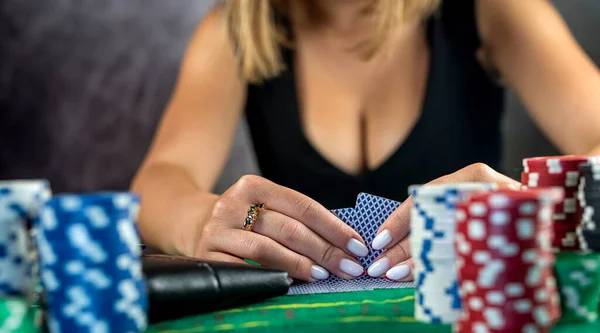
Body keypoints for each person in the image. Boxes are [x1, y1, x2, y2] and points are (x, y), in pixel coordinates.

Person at [131, 0, 600, 283]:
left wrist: (520, 208)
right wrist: (200, 222)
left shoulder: (492, 9)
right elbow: (160, 179)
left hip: (462, 327)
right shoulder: (236, 29)